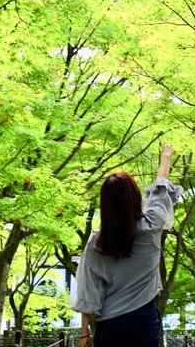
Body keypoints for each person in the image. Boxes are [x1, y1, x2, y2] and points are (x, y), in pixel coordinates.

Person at [71, 144, 183, 347]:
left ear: (105, 204)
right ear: (135, 197)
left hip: (109, 324)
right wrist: (165, 157)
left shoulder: (97, 242)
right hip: (143, 321)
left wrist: (83, 336)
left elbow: (89, 289)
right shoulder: (151, 226)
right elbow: (161, 189)